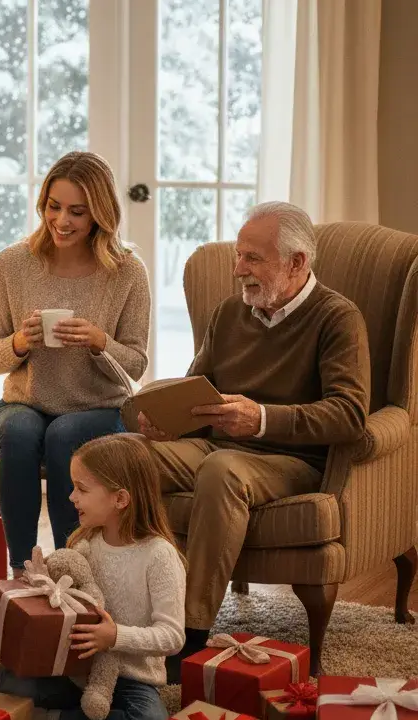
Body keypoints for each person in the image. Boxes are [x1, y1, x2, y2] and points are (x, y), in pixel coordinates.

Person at [136, 202, 370, 679]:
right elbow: (196, 393)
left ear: (297, 262)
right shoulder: (229, 313)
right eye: (238, 255)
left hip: (292, 458)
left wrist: (261, 420)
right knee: (129, 459)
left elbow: (349, 415)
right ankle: (124, 605)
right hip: (220, 445)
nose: (238, 268)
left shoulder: (337, 318)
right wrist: (167, 424)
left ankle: (189, 632)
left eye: (252, 258)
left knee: (220, 472)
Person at [0, 151, 150, 572]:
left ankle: (70, 567)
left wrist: (99, 342)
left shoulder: (128, 271)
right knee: (19, 432)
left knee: (64, 436)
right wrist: (20, 342)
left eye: (77, 211)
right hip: (25, 402)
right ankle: (22, 569)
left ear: (100, 214)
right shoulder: (12, 263)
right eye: (53, 207)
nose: (62, 220)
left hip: (99, 408)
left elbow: (136, 364)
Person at [0, 433, 186, 720]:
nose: (71, 497)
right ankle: (75, 707)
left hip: (131, 677)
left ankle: (57, 719)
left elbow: (173, 637)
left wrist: (115, 637)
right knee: (10, 681)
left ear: (120, 499)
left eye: (82, 489)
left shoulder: (159, 556)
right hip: (78, 669)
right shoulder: (84, 543)